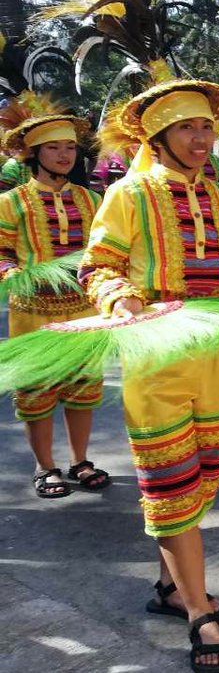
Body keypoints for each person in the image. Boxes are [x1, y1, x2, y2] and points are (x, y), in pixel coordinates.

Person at [79, 79, 219, 672]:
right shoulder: (128, 194)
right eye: (188, 128)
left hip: (213, 352)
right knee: (171, 482)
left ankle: (169, 586)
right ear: (159, 136)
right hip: (155, 357)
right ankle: (199, 613)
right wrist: (122, 298)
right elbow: (98, 264)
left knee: (201, 475)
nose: (202, 138)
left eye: (207, 127)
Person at [0, 108, 106, 498]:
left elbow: (105, 250)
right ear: (33, 154)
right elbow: (1, 251)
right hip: (32, 314)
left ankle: (80, 460)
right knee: (37, 393)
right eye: (53, 148)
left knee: (83, 389)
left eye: (70, 148)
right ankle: (45, 466)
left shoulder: (92, 199)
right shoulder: (11, 202)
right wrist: (13, 275)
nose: (64, 156)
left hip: (83, 312)